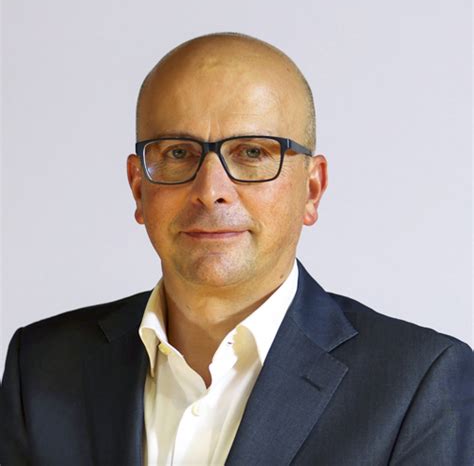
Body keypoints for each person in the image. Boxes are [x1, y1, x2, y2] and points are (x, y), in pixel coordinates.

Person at [1, 32, 473, 466]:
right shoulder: (41, 365)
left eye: (252, 153)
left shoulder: (418, 386)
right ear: (138, 188)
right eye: (178, 153)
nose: (211, 191)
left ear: (312, 189)